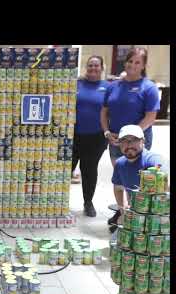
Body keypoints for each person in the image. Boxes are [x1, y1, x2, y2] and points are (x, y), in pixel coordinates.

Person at [101, 47, 160, 224]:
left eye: (137, 62)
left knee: (136, 177)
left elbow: (151, 116)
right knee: (120, 175)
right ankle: (122, 211)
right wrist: (106, 131)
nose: (132, 65)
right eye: (130, 61)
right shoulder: (113, 86)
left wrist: (131, 136)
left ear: (143, 66)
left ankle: (138, 213)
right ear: (125, 62)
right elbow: (104, 111)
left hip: (137, 141)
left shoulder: (148, 88)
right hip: (115, 139)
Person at [72, 56, 110, 217]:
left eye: (96, 65)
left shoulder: (108, 87)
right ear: (86, 67)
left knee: (89, 170)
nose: (93, 68)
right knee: (64, 170)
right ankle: (56, 203)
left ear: (102, 68)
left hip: (96, 137)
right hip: (72, 136)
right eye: (90, 65)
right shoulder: (77, 84)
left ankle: (88, 202)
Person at [111, 125, 168, 221]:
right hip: (136, 216)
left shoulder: (153, 160)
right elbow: (118, 188)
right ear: (119, 143)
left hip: (158, 217)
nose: (129, 145)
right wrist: (123, 210)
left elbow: (167, 183)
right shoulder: (120, 164)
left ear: (143, 141)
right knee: (117, 233)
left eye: (134, 140)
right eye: (124, 140)